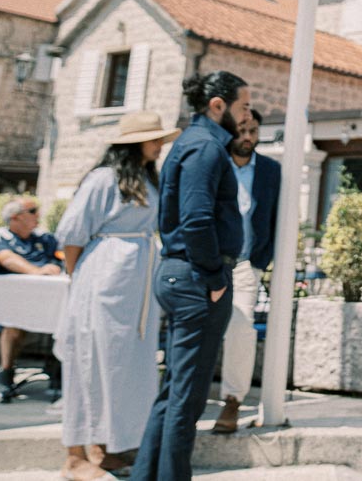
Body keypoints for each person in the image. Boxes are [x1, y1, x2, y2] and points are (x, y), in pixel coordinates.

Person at [132, 71, 251, 481]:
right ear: (218, 106)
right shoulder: (205, 148)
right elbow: (197, 220)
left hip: (183, 276)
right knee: (187, 397)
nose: (247, 114)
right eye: (243, 106)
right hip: (197, 280)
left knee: (175, 393)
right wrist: (215, 277)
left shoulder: (191, 143)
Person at [56, 112, 179, 481]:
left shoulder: (147, 179)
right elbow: (73, 236)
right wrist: (82, 282)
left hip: (137, 282)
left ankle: (110, 447)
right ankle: (76, 455)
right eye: (153, 138)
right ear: (132, 142)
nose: (160, 145)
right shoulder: (101, 179)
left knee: (125, 364)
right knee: (91, 359)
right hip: (103, 276)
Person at [212, 108, 281, 435]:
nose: (248, 137)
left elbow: (275, 216)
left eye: (253, 130)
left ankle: (232, 400)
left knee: (240, 327)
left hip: (244, 264)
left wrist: (261, 260)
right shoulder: (214, 164)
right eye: (242, 130)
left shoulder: (270, 170)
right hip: (210, 262)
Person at [0, 196, 62, 403]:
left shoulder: (43, 238)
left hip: (47, 298)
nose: (38, 215)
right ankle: (6, 373)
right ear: (16, 217)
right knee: (14, 323)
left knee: (64, 317)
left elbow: (60, 255)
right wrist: (37, 271)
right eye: (33, 211)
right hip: (9, 301)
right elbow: (7, 259)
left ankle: (57, 370)